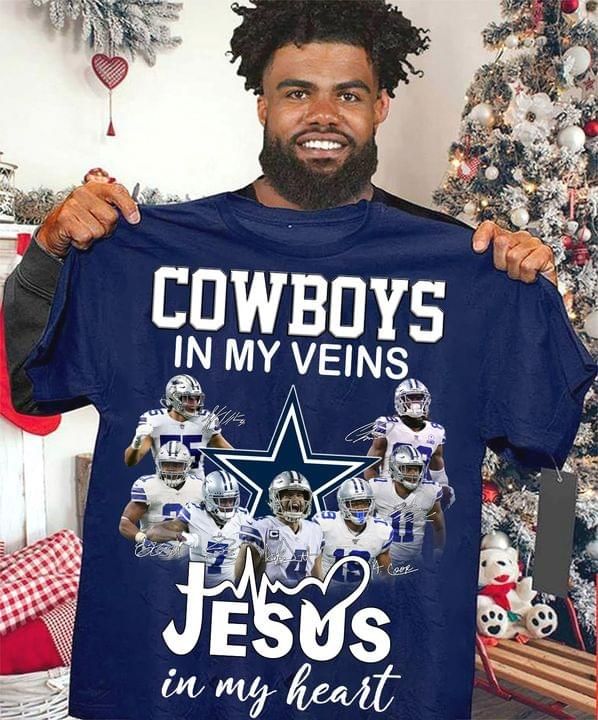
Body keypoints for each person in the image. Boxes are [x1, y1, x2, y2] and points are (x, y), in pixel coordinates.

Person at [3, 3, 558, 417]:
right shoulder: (161, 256)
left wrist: (533, 300)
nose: (323, 115)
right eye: (296, 94)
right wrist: (49, 257)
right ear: (263, 106)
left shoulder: (457, 262)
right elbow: (29, 389)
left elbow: (540, 424)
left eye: (348, 95)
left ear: (380, 107)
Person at [144, 470, 248, 584]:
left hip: (230, 587)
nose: (228, 506)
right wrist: (181, 536)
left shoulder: (242, 517)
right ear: (208, 499)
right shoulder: (194, 513)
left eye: (231, 500)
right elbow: (152, 533)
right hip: (197, 586)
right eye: (222, 501)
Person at [366, 378, 455, 509]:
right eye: (411, 398)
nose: (416, 403)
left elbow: (437, 467)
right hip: (390, 492)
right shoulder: (388, 426)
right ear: (400, 401)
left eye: (419, 398)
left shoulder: (436, 431)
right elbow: (370, 467)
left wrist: (443, 487)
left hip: (419, 498)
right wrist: (378, 491)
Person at [125, 374, 232, 474]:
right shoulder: (155, 420)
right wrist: (136, 443)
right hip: (164, 487)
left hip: (196, 488)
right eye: (188, 398)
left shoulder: (205, 420)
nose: (194, 403)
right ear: (173, 398)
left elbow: (232, 456)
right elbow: (130, 462)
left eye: (196, 398)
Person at [237, 470, 323, 585]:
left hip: (302, 599)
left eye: (299, 495)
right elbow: (241, 579)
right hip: (270, 599)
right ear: (275, 498)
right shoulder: (261, 528)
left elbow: (317, 580)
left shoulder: (315, 530)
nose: (295, 500)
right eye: (289, 495)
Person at [369, 443, 445, 565]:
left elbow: (439, 526)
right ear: (394, 468)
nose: (413, 473)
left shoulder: (429, 491)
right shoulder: (378, 488)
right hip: (381, 561)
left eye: (416, 469)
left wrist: (439, 550)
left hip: (414, 562)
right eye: (407, 468)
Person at [118, 441, 203, 544]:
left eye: (176, 465)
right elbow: (125, 522)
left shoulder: (199, 487)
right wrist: (142, 538)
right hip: (156, 551)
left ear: (187, 466)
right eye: (166, 464)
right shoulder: (148, 486)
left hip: (190, 551)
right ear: (159, 464)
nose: (171, 469)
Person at [313, 477, 393, 582]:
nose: (360, 508)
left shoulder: (381, 530)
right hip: (328, 590)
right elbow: (311, 563)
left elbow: (386, 574)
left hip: (363, 593)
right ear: (342, 504)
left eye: (364, 502)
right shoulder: (325, 525)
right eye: (354, 503)